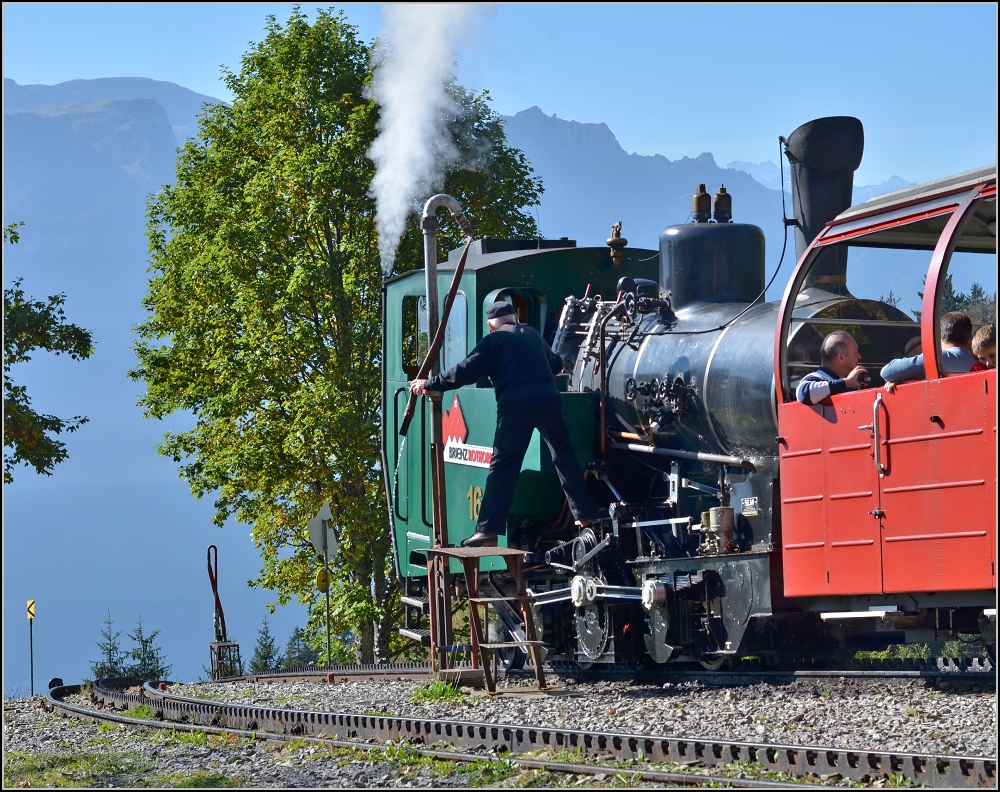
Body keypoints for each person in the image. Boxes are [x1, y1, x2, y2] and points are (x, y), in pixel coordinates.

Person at [410, 301, 601, 548]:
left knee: (503, 467)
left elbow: (465, 371)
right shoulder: (532, 335)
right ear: (516, 319)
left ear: (491, 326)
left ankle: (488, 531)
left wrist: (429, 384)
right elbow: (556, 365)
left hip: (516, 407)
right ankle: (585, 514)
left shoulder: (493, 340)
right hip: (550, 403)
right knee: (564, 456)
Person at [880, 311, 976, 391]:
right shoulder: (975, 363)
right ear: (969, 339)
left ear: (939, 335)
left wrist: (904, 380)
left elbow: (887, 372)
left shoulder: (941, 358)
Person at [795, 330, 869, 405]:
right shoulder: (817, 377)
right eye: (855, 352)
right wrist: (847, 382)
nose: (859, 356)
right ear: (841, 357)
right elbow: (803, 393)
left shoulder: (842, 382)